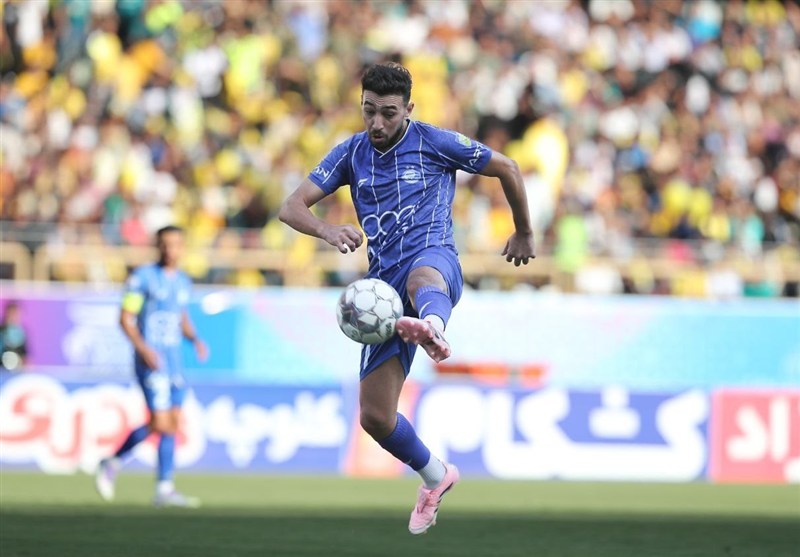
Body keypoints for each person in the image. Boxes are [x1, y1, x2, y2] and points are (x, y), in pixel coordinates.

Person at [279, 62, 535, 534]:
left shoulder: (434, 142)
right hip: (382, 292)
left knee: (422, 279)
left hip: (434, 258)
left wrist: (523, 231)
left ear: (409, 109)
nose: (377, 123)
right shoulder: (350, 153)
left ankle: (433, 326)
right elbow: (290, 206)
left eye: (389, 113)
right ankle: (436, 476)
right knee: (375, 417)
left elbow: (507, 167)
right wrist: (326, 229)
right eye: (369, 111)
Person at [95, 225, 208, 507]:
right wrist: (144, 348)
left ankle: (164, 488)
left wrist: (194, 339)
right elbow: (125, 318)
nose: (170, 249)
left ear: (182, 247)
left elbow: (180, 316)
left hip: (175, 363)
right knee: (161, 422)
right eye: (165, 244)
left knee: (172, 424)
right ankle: (114, 460)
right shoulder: (142, 278)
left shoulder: (183, 281)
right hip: (152, 362)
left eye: (175, 244)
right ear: (157, 246)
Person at [0, 302, 28, 372]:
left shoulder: (21, 332)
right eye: (12, 314)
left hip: (17, 372)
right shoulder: (1, 331)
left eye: (16, 314)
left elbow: (25, 355)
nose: (14, 317)